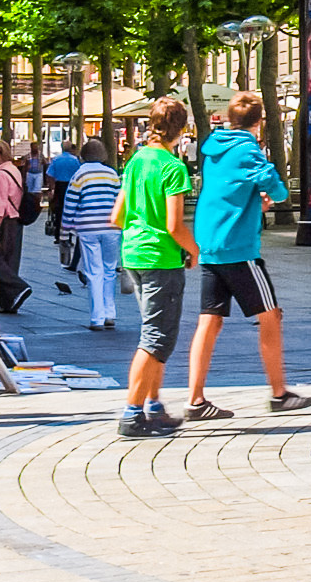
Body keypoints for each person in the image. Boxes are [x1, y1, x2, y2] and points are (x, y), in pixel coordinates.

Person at [181, 93, 311, 423]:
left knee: (208, 323)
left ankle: (195, 399)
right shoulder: (247, 148)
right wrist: (267, 195)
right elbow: (279, 190)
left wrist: (255, 200)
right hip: (238, 247)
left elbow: (230, 190)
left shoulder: (212, 147)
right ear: (259, 123)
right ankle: (279, 393)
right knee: (270, 315)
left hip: (210, 245)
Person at [112, 98, 198, 440]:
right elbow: (175, 225)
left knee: (155, 332)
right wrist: (194, 250)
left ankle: (153, 407)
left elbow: (117, 216)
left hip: (133, 255)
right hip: (161, 259)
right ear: (181, 129)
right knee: (156, 337)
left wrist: (137, 227)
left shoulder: (136, 161)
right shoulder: (172, 167)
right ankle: (132, 413)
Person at [61, 140, 123, 330]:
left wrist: (65, 232)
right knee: (110, 270)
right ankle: (110, 313)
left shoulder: (80, 175)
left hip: (88, 228)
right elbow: (120, 201)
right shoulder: (112, 174)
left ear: (83, 155)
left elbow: (70, 204)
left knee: (94, 272)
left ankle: (97, 317)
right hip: (112, 227)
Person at [0, 137, 30, 315]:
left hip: (4, 221)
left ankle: (20, 287)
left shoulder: (2, 174)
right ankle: (9, 303)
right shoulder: (14, 170)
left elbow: (1, 202)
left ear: (3, 154)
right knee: (10, 262)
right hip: (15, 221)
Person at [45, 142, 80, 238]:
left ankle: (58, 234)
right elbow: (79, 173)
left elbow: (49, 174)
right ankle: (68, 234)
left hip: (59, 186)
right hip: (71, 186)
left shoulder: (56, 159)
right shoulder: (75, 160)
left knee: (58, 210)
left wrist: (51, 187)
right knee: (70, 209)